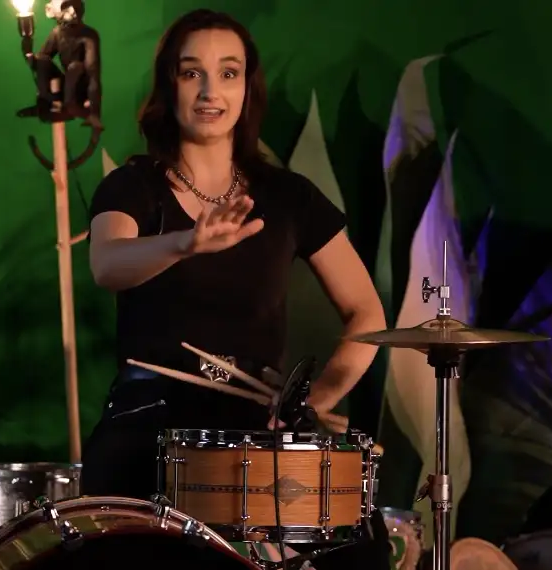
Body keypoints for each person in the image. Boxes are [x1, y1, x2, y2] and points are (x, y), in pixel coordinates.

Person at [82, 8, 390, 569]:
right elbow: (107, 263)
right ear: (168, 86)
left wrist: (314, 400)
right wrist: (184, 244)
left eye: (229, 73)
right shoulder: (132, 186)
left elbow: (367, 312)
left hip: (256, 426)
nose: (209, 90)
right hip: (147, 415)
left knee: (361, 548)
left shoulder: (288, 196)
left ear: (248, 88)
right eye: (190, 72)